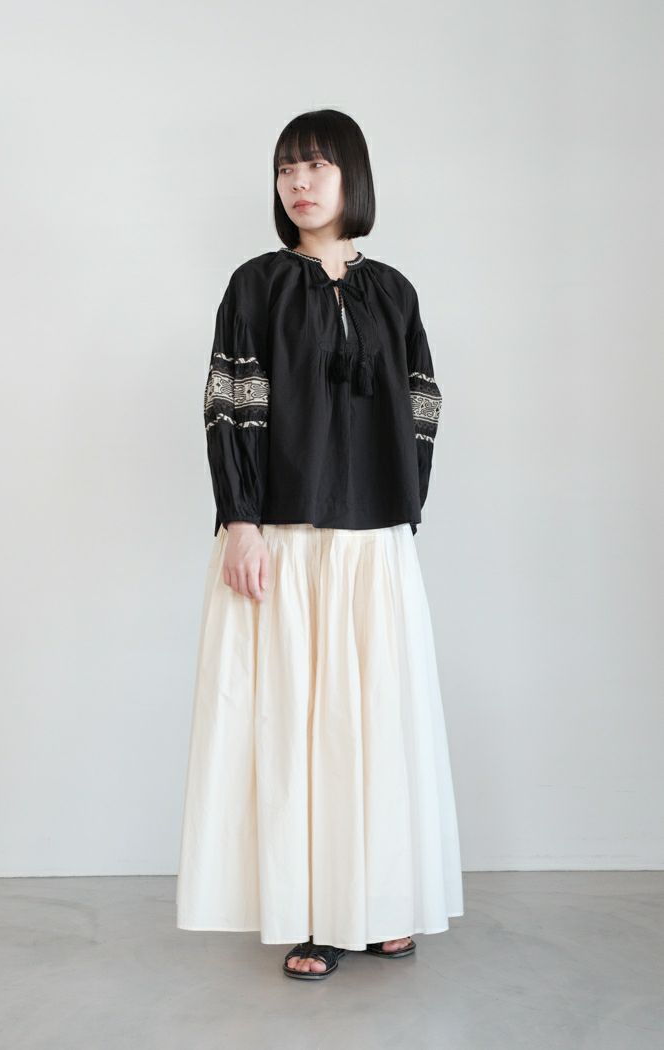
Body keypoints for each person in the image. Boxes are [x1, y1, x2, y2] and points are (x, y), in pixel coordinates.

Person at [176, 108, 464, 981]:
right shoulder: (255, 286)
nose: (299, 183)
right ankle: (315, 914)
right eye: (286, 169)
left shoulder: (395, 293)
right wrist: (241, 517)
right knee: (299, 727)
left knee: (376, 723)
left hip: (372, 542)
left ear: (352, 178)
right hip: (285, 536)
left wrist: (398, 507)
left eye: (316, 167)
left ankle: (383, 905)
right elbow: (230, 403)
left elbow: (421, 405)